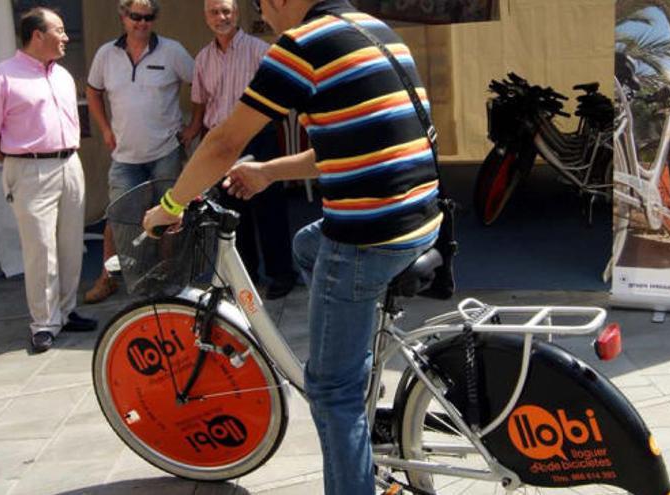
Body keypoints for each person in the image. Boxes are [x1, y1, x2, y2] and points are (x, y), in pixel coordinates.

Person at [143, 0, 441, 492]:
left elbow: (222, 142)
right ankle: (356, 359)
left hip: (368, 237)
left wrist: (171, 206)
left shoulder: (302, 44)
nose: (267, 22)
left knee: (330, 392)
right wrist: (267, 172)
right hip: (418, 221)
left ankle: (349, 399)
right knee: (307, 245)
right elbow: (345, 148)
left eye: (262, 12)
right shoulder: (371, 28)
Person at [0, 7, 97, 353]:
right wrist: (18, 161)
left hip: (70, 165)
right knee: (41, 249)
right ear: (37, 35)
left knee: (71, 244)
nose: (67, 37)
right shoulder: (0, 78)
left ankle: (67, 310)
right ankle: (43, 322)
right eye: (60, 30)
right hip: (29, 170)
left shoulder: (62, 75)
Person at [181, 0, 297, 299]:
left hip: (257, 139)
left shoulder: (260, 51)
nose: (221, 17)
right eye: (214, 12)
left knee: (268, 209)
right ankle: (244, 277)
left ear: (237, 14)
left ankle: (281, 275)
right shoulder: (203, 58)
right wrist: (195, 131)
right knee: (233, 214)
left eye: (226, 11)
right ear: (206, 17)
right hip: (221, 143)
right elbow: (201, 101)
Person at [84, 0, 195, 303]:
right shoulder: (106, 54)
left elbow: (200, 85)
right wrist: (105, 129)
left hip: (166, 152)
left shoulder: (172, 51)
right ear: (123, 16)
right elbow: (92, 91)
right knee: (118, 217)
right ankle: (108, 278)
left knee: (169, 216)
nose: (141, 23)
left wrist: (195, 126)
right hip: (125, 156)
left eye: (147, 18)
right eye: (135, 16)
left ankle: (167, 277)